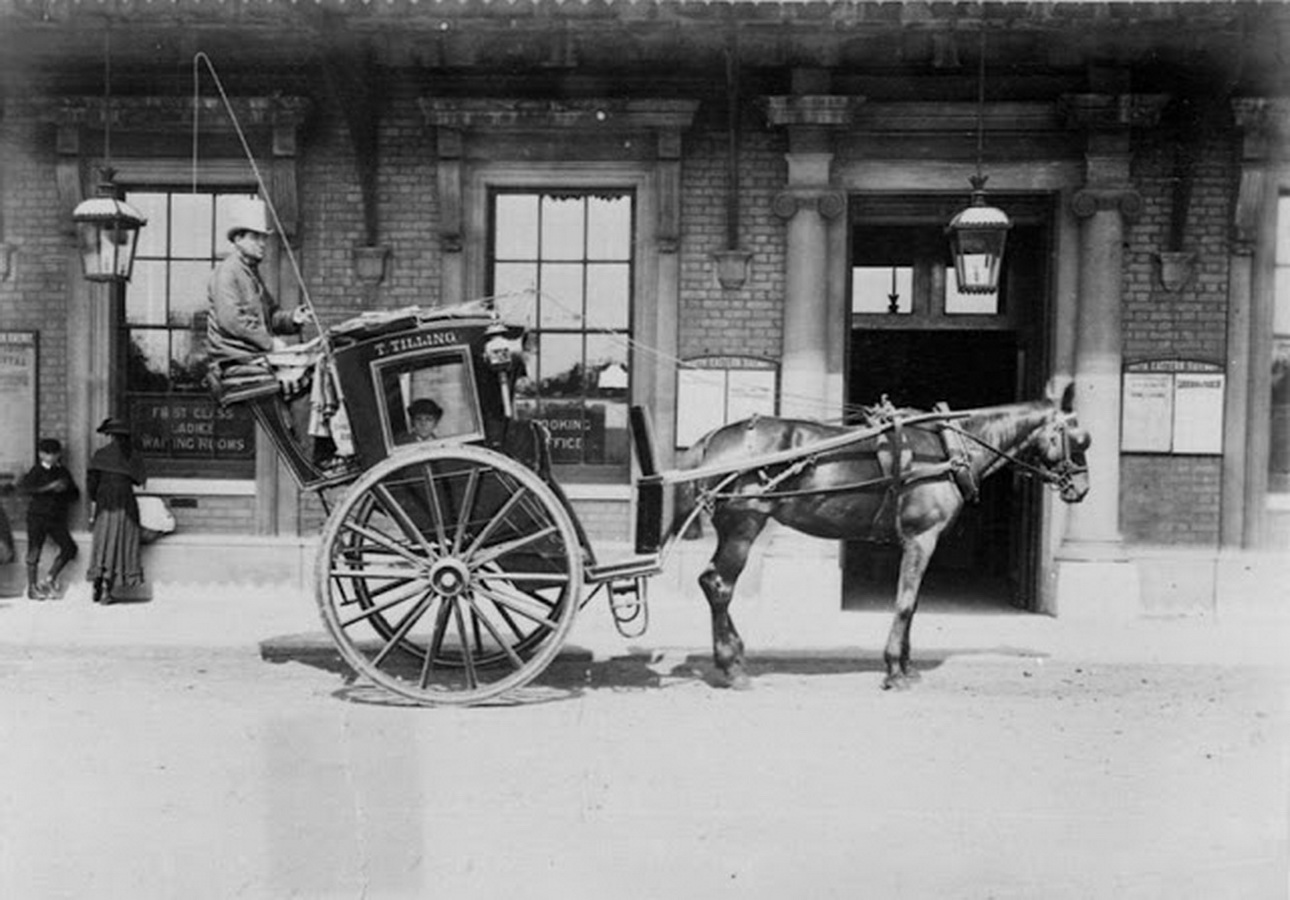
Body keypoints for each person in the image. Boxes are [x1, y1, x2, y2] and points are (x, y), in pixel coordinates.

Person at [86, 417, 148, 605]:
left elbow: (91, 484)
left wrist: (97, 499)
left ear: (110, 435)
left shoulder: (101, 454)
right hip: (125, 504)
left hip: (105, 504)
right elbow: (139, 480)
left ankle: (99, 578)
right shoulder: (133, 456)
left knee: (103, 542)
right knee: (121, 543)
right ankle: (108, 589)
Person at [18, 438, 80, 600]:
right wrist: (49, 488)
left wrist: (65, 489)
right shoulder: (36, 471)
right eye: (47, 453)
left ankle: (50, 578)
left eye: (54, 453)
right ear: (40, 454)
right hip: (37, 516)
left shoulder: (63, 471)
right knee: (34, 550)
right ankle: (32, 588)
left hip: (56, 517)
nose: (51, 457)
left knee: (69, 548)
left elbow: (75, 495)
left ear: (59, 454)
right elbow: (26, 489)